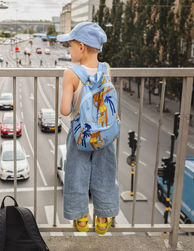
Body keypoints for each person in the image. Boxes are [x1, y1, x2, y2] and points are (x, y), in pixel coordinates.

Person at [58, 22, 119, 235]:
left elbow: (65, 110)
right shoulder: (106, 68)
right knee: (105, 173)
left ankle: (80, 216)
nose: (70, 50)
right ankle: (103, 216)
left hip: (81, 136)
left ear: (81, 47)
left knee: (77, 173)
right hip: (105, 133)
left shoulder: (70, 74)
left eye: (71, 46)